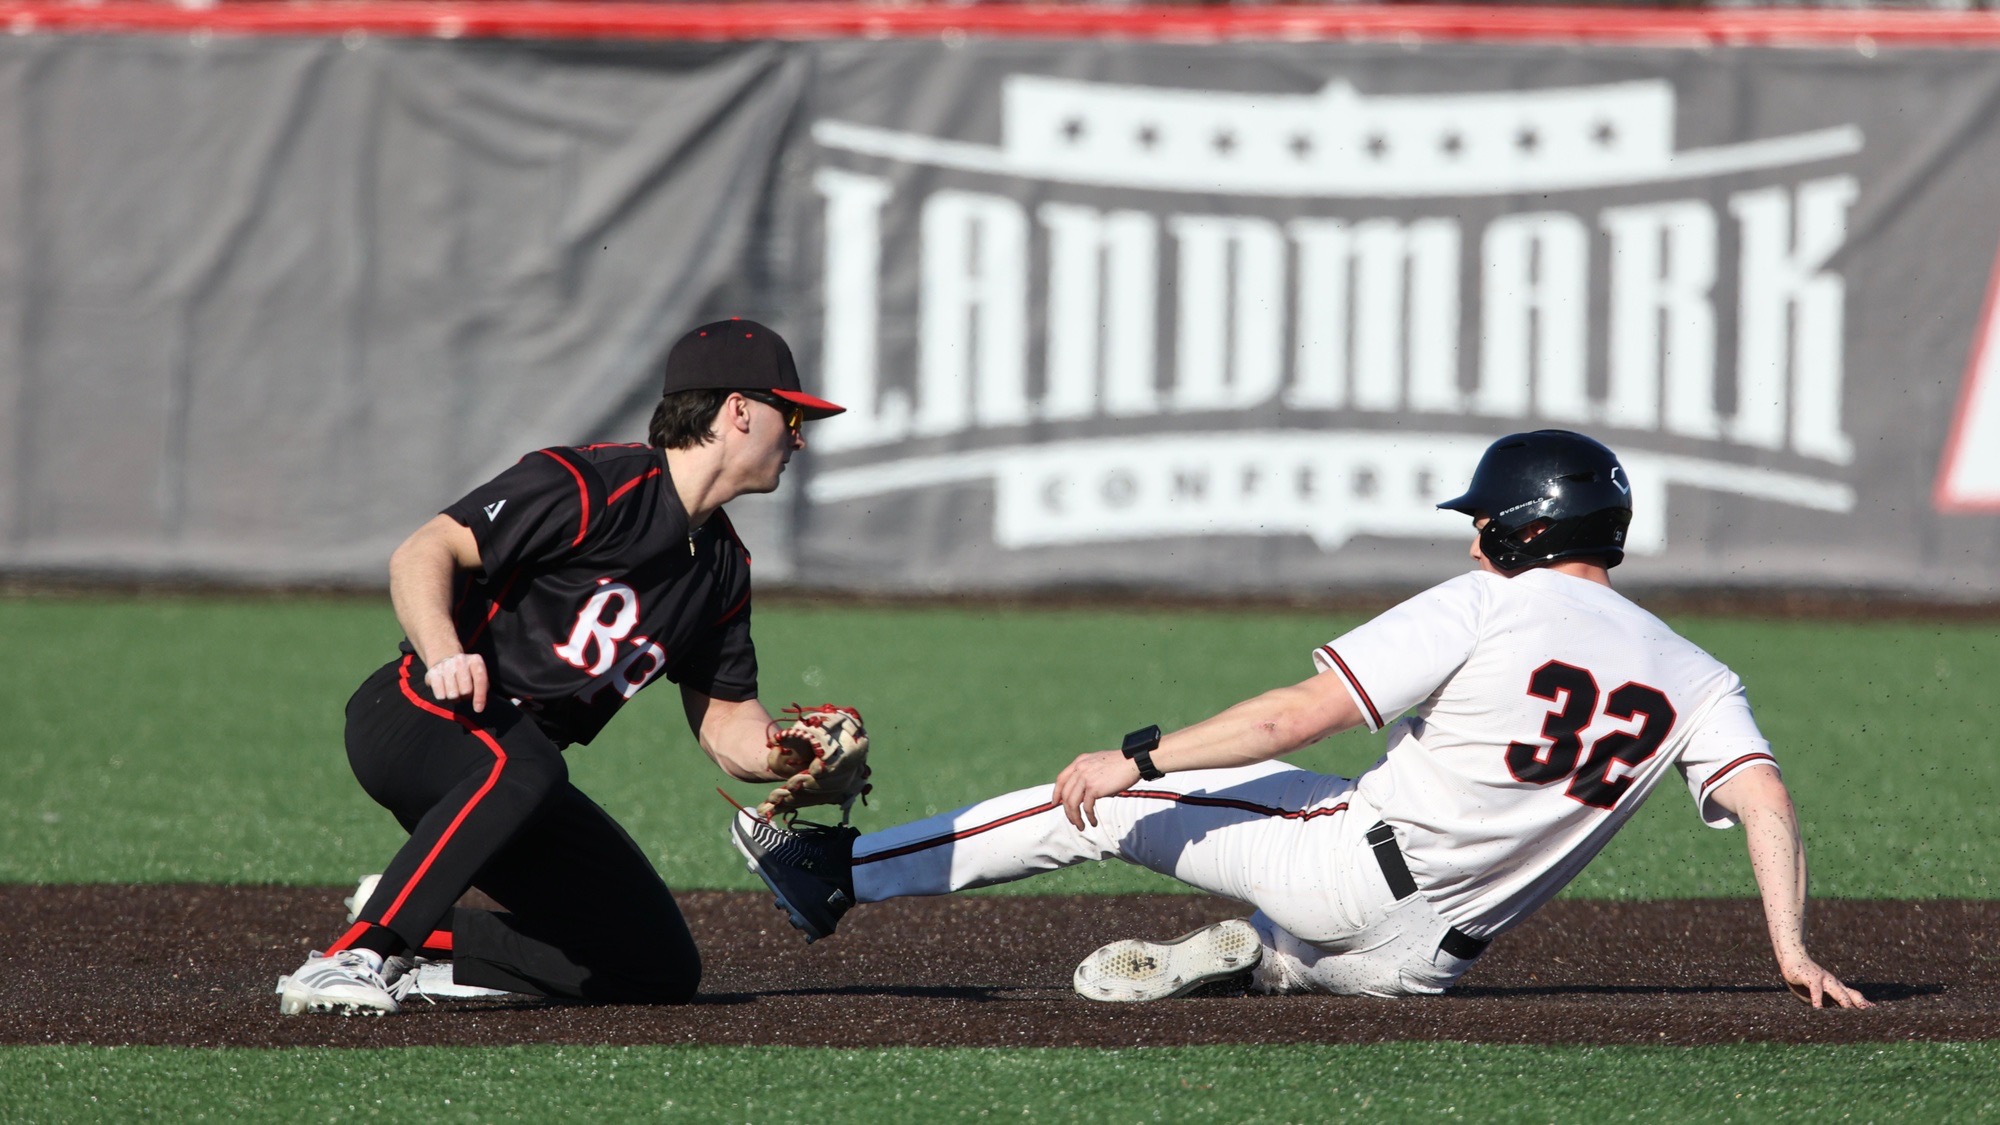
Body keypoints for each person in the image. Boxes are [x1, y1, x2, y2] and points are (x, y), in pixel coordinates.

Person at [731, 430, 1872, 1009]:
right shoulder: (1698, 676)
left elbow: (1293, 717)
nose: (1472, 535)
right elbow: (1765, 801)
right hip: (1427, 963)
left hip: (1349, 867)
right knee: (1302, 934)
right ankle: (1261, 953)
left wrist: (1137, 755)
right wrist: (1789, 950)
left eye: (1485, 518)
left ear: (1525, 528)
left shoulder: (1491, 601)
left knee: (1093, 804)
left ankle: (835, 874)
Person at [278, 319, 852, 1015]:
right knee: (527, 764)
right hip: (418, 715)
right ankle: (354, 955)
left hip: (518, 777)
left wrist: (789, 753)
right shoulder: (592, 483)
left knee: (656, 965)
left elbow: (726, 719)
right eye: (790, 417)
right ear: (737, 410)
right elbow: (424, 550)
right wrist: (444, 651)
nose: (799, 438)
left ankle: (419, 924)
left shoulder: (723, 567)